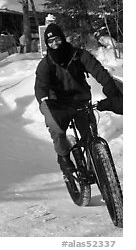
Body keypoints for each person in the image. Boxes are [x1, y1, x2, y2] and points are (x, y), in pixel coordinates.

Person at [34, 24, 123, 174]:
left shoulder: (78, 55)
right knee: (57, 131)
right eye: (51, 42)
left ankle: (96, 164)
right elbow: (40, 87)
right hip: (60, 105)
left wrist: (109, 87)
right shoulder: (46, 64)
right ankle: (63, 158)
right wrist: (45, 103)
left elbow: (98, 70)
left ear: (62, 38)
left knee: (90, 134)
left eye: (57, 39)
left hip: (81, 100)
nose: (55, 44)